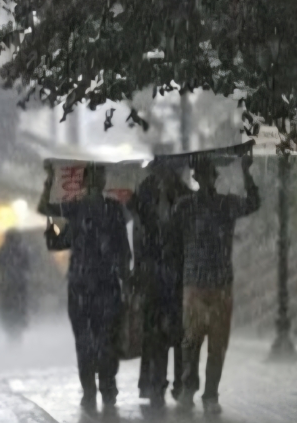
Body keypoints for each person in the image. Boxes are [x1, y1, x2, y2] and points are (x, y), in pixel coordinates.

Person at [39, 164, 130, 412]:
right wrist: (49, 182)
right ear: (91, 181)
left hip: (94, 285)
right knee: (92, 340)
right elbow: (49, 216)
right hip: (90, 286)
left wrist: (127, 277)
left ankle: (100, 388)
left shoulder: (103, 209)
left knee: (99, 339)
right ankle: (96, 389)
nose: (99, 180)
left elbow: (122, 249)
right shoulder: (86, 209)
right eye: (97, 176)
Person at [173, 155, 260, 415]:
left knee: (217, 345)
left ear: (213, 177)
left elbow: (254, 203)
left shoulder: (226, 204)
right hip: (195, 284)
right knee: (192, 342)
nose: (206, 179)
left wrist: (246, 172)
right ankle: (189, 388)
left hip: (220, 284)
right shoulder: (185, 206)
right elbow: (171, 233)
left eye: (209, 174)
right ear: (197, 177)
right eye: (201, 174)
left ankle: (210, 393)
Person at [128, 161, 192, 409]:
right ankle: (156, 382)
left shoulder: (183, 195)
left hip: (176, 273)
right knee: (156, 333)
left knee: (178, 333)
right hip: (154, 274)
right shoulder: (145, 193)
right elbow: (139, 232)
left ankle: (179, 383)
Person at [0, 229, 30, 344]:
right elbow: (27, 266)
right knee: (17, 312)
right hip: (18, 287)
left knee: (10, 313)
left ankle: (12, 335)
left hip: (8, 288)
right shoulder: (22, 250)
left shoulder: (3, 251)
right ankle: (16, 334)